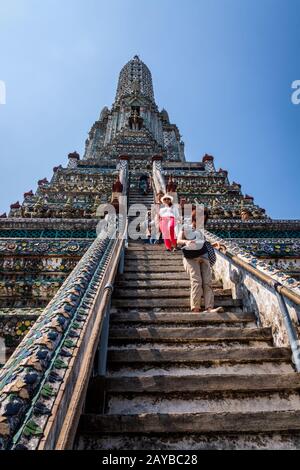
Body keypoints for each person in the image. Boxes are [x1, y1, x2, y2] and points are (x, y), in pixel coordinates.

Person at [177, 210, 224, 313]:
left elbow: (202, 244)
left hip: (204, 257)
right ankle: (196, 308)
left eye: (204, 219)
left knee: (208, 283)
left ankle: (209, 308)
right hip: (191, 258)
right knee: (196, 281)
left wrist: (213, 244)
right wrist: (187, 241)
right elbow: (178, 241)